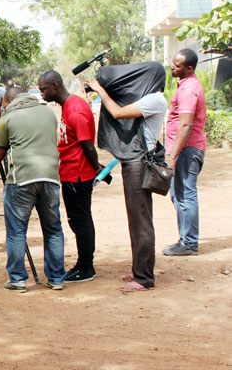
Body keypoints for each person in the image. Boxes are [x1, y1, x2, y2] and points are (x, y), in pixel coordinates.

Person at [0, 87, 66, 293]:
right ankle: (57, 278)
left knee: (17, 232)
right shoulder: (48, 113)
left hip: (21, 180)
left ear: (8, 102)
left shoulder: (8, 118)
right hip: (50, 178)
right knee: (53, 229)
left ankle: (17, 279)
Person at [86, 62, 167, 292]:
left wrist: (101, 90)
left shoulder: (154, 99)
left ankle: (144, 278)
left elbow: (119, 113)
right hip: (135, 163)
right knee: (137, 219)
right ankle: (139, 269)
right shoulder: (149, 97)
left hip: (139, 163)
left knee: (141, 220)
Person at [38, 71, 102, 283]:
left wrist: (96, 168)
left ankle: (86, 267)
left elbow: (88, 146)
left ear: (55, 85)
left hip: (78, 175)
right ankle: (84, 264)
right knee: (77, 220)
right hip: (70, 172)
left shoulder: (75, 109)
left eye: (44, 89)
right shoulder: (68, 106)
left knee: (81, 221)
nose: (42, 94)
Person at [163, 49, 207, 256]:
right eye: (173, 63)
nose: (173, 67)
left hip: (187, 150)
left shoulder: (189, 89)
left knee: (186, 194)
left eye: (177, 65)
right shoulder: (186, 85)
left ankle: (189, 243)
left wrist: (173, 156)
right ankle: (185, 240)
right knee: (178, 194)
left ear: (189, 68)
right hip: (183, 149)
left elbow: (186, 125)